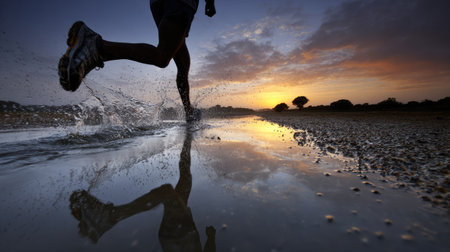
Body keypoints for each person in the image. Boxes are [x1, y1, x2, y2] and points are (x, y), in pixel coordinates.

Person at [58, 0, 216, 122]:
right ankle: (99, 47)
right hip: (182, 2)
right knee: (163, 57)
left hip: (157, 3)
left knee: (181, 59)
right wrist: (210, 2)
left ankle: (189, 111)